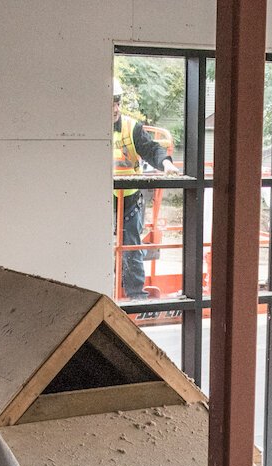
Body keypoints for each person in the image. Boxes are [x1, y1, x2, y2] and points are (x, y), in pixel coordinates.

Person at [113, 78, 181, 301]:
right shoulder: (88, 130)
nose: (114, 108)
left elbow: (152, 149)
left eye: (117, 102)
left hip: (129, 199)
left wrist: (166, 163)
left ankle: (135, 296)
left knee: (131, 244)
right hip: (99, 201)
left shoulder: (131, 128)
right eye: (109, 102)